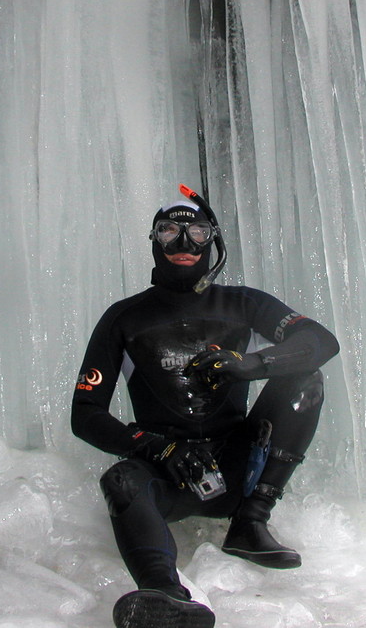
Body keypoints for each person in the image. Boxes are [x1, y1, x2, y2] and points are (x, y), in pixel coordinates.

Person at [71, 186, 339, 628]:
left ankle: (251, 522)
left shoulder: (245, 304)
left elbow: (319, 342)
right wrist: (155, 447)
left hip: (238, 466)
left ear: (212, 239)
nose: (183, 243)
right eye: (170, 231)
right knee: (120, 478)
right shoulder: (123, 318)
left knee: (305, 378)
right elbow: (85, 414)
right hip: (167, 471)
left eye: (196, 231)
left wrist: (249, 364)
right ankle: (163, 595)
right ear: (154, 240)